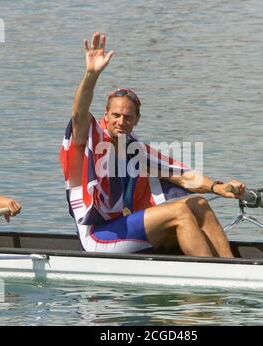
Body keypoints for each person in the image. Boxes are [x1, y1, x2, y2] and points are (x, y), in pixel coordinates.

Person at [60, 32, 245, 258]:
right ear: (105, 115)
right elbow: (78, 113)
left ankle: (231, 267)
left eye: (128, 117)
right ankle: (212, 279)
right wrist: (91, 75)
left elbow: (183, 176)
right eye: (115, 115)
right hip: (97, 236)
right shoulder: (89, 138)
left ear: (137, 120)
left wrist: (219, 187)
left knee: (198, 203)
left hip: (124, 227)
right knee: (180, 211)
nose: (121, 121)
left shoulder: (135, 149)